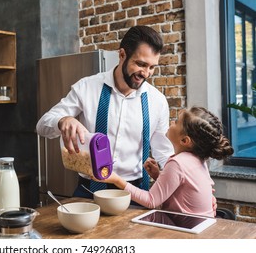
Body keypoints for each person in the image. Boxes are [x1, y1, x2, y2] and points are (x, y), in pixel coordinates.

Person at [36, 25, 174, 197]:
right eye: (141, 64)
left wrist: (187, 183)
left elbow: (164, 153)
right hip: (88, 190)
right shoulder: (86, 87)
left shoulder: (158, 101)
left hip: (135, 193)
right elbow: (42, 125)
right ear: (122, 54)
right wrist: (62, 120)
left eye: (152, 67)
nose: (146, 73)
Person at [97, 106, 234, 217]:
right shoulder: (198, 159)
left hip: (186, 233)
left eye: (176, 122)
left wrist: (116, 180)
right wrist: (158, 176)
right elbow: (182, 189)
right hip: (203, 226)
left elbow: (151, 201)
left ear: (185, 140)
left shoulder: (178, 163)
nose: (171, 123)